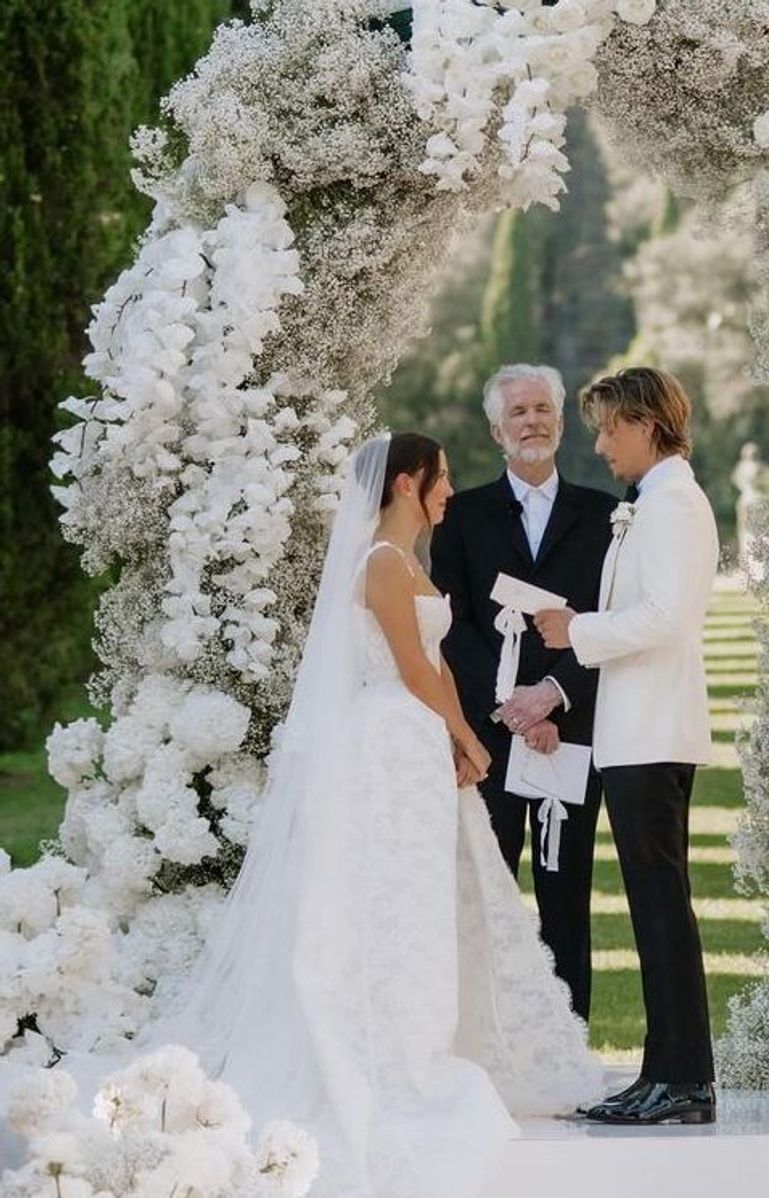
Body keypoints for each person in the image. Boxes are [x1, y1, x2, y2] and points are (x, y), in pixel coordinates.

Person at [130, 431, 603, 1196]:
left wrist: (458, 738)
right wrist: (466, 739)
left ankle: (432, 1034)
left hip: (415, 742)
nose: (450, 490)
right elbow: (414, 670)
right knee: (391, 897)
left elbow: (439, 664)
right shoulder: (382, 565)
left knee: (425, 898)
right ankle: (392, 1050)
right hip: (387, 742)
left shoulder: (410, 562)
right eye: (442, 478)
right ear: (409, 482)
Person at [535, 367, 719, 1125]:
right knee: (653, 909)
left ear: (647, 423)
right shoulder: (653, 502)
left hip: (652, 734)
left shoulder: (674, 504)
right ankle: (665, 1072)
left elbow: (666, 618)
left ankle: (682, 1081)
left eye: (611, 427)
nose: (602, 444)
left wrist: (575, 631)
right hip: (634, 733)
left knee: (660, 909)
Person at [430, 365, 616, 1020]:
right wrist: (514, 707)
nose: (532, 421)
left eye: (542, 409)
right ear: (495, 429)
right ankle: (487, 1040)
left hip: (572, 729)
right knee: (489, 894)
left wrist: (554, 697)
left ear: (561, 422)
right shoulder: (462, 517)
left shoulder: (606, 519)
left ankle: (570, 1047)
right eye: (518, 413)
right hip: (492, 738)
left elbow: (612, 620)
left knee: (567, 895)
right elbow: (454, 629)